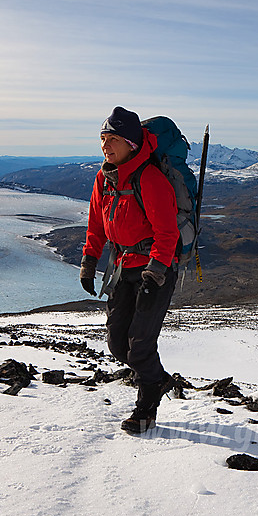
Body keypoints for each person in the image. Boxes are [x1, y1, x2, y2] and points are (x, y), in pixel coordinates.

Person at [80, 106, 179, 434]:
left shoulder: (150, 179)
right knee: (117, 343)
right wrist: (89, 261)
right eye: (102, 138)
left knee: (139, 343)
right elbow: (96, 223)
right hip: (122, 267)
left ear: (132, 144)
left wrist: (155, 273)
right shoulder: (104, 178)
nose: (105, 145)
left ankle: (146, 407)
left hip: (156, 269)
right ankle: (158, 378)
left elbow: (167, 233)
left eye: (112, 139)